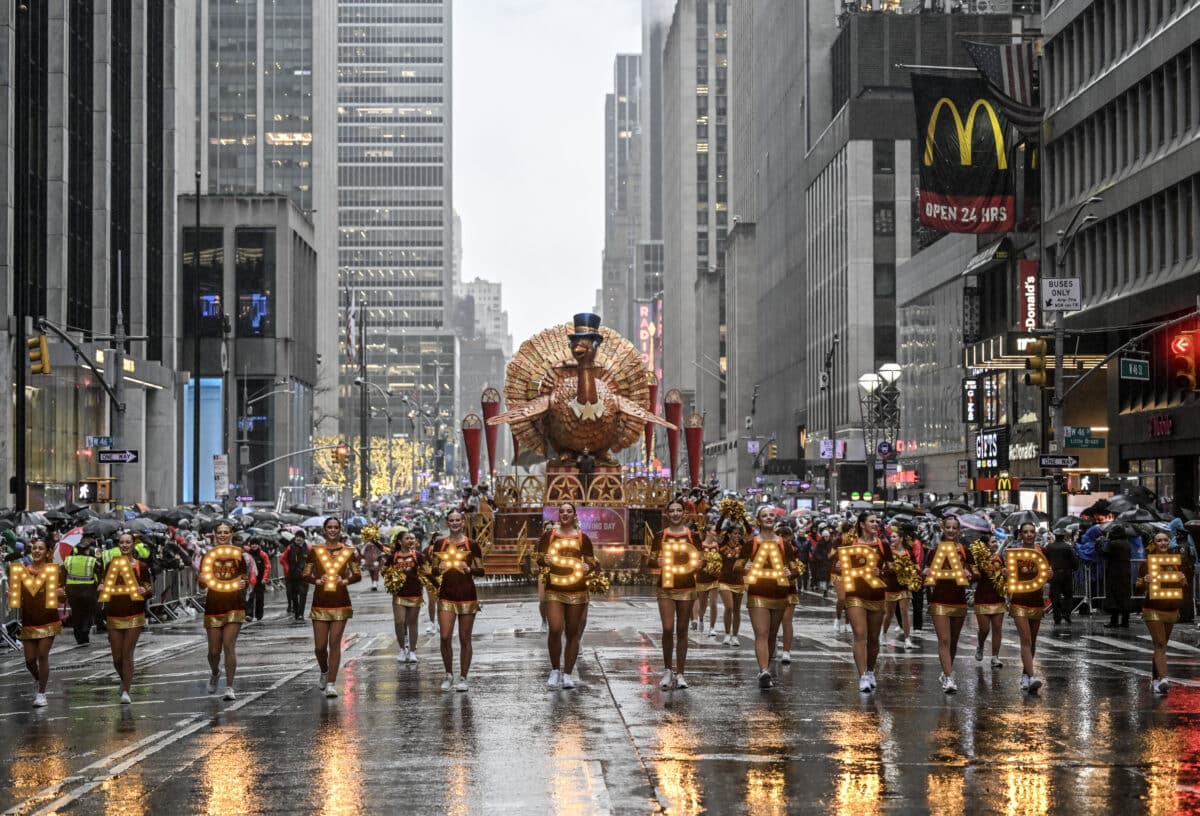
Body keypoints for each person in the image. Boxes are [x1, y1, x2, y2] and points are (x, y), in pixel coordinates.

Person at [536, 502, 597, 690]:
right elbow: (538, 558)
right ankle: (555, 670)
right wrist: (543, 560)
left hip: (577, 590)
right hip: (555, 588)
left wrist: (589, 566)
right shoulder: (549, 536)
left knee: (572, 632)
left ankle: (568, 673)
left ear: (574, 515)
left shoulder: (582, 538)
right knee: (555, 629)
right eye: (561, 511)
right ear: (558, 515)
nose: (565, 514)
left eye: (569, 511)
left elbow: (593, 562)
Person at [303, 516, 362, 699]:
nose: (333, 530)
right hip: (320, 602)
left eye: (336, 527)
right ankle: (324, 670)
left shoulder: (348, 551)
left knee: (335, 644)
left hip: (340, 601)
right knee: (320, 647)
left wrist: (343, 580)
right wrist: (316, 580)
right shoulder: (315, 551)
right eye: (330, 527)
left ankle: (331, 683)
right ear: (324, 529)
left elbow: (357, 574)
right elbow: (305, 573)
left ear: (340, 529)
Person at [834, 511, 890, 694]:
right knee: (860, 634)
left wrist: (880, 573)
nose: (876, 524)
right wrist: (838, 567)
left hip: (876, 595)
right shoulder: (850, 544)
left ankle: (871, 670)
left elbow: (893, 568)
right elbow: (835, 565)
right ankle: (862, 675)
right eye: (872, 521)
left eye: (877, 521)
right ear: (862, 524)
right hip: (854, 593)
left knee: (873, 638)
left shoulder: (883, 545)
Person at [195, 521, 249, 701]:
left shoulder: (239, 555)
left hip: (234, 604)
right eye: (220, 532)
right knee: (213, 651)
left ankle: (230, 686)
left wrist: (244, 583)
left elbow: (245, 577)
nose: (223, 535)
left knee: (228, 645)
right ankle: (215, 672)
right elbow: (202, 583)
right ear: (214, 534)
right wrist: (201, 579)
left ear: (231, 534)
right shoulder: (207, 556)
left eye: (226, 532)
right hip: (214, 605)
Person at [648, 500, 699, 690]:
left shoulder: (693, 536)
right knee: (668, 628)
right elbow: (650, 561)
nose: (676, 513)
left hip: (686, 587)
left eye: (679, 510)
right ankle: (668, 670)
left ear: (684, 513)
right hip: (666, 587)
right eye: (672, 511)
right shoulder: (660, 536)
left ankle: (681, 672)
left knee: (683, 630)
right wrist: (657, 562)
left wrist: (699, 565)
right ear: (667, 514)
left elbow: (702, 559)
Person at [744, 515, 798, 689]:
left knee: (772, 634)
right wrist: (744, 567)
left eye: (771, 516)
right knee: (761, 632)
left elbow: (795, 568)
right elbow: (737, 566)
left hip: (779, 593)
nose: (769, 518)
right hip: (757, 593)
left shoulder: (784, 544)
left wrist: (791, 573)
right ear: (758, 520)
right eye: (765, 516)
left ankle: (767, 662)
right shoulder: (751, 543)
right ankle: (763, 670)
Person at [11, 537, 66, 707]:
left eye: (41, 548)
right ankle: (38, 679)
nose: (36, 551)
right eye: (34, 548)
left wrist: (60, 593)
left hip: (48, 619)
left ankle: (41, 693)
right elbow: (18, 596)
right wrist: (12, 594)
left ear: (47, 552)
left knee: (42, 655)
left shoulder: (55, 571)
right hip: (29, 620)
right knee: (29, 660)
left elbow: (64, 595)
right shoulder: (23, 571)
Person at [434, 509, 484, 692]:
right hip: (446, 593)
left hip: (467, 594)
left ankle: (463, 677)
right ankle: (448, 674)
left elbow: (482, 571)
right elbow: (432, 571)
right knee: (445, 636)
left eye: (457, 520)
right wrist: (438, 568)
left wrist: (468, 568)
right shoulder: (440, 544)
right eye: (451, 520)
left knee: (465, 637)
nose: (454, 523)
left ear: (463, 522)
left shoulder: (472, 544)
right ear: (447, 523)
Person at [103, 532, 154, 704]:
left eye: (128, 542)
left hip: (135, 614)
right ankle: (124, 678)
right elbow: (103, 585)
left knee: (127, 654)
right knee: (116, 658)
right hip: (114, 614)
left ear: (133, 545)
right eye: (121, 542)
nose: (124, 545)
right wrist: (101, 587)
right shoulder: (110, 565)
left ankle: (126, 689)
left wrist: (144, 591)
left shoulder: (142, 566)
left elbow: (149, 589)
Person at [1138, 531, 1187, 694]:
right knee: (1159, 644)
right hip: (1152, 607)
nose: (1163, 543)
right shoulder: (1146, 563)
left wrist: (1182, 579)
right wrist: (1145, 581)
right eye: (1159, 540)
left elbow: (1185, 585)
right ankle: (1164, 679)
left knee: (1161, 646)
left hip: (1171, 607)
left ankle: (1155, 680)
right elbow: (1137, 585)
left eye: (1166, 540)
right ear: (1154, 543)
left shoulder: (1177, 561)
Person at [1009, 522, 1047, 694]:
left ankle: (1025, 675)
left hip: (1036, 600)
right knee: (1026, 639)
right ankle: (1032, 676)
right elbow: (1009, 577)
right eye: (1026, 532)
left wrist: (1050, 575)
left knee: (1032, 640)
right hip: (1019, 600)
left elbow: (1047, 574)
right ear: (1020, 535)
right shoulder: (1014, 553)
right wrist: (1005, 573)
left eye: (1032, 532)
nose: (1029, 534)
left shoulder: (1041, 552)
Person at [387, 530, 428, 664]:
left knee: (412, 623)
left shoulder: (418, 556)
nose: (411, 540)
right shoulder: (393, 557)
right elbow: (385, 572)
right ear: (400, 542)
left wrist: (438, 584)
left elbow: (427, 572)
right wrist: (392, 579)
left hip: (415, 593)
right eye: (407, 538)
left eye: (412, 538)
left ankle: (412, 651)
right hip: (399, 594)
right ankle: (401, 649)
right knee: (399, 621)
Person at [972, 533, 1007, 668]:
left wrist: (1005, 575)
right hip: (982, 597)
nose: (995, 544)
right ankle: (980, 645)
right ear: (985, 545)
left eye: (995, 541)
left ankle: (995, 657)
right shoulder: (978, 559)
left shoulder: (999, 558)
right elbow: (973, 578)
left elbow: (1004, 577)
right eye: (992, 542)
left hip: (998, 597)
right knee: (984, 629)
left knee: (997, 628)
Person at [881, 526, 917, 651]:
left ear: (901, 539)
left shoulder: (909, 553)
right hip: (891, 585)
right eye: (891, 537)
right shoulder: (888, 552)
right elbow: (883, 569)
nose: (892, 538)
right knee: (889, 613)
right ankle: (884, 634)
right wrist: (890, 570)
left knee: (904, 612)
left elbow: (915, 567)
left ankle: (907, 639)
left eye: (895, 536)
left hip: (904, 586)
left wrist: (914, 573)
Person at [717, 520, 750, 646]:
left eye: (739, 534)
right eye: (735, 534)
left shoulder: (743, 548)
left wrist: (741, 517)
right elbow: (718, 529)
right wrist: (725, 514)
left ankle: (735, 636)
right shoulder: (722, 545)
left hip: (738, 581)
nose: (737, 536)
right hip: (724, 580)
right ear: (729, 534)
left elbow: (749, 532)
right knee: (729, 607)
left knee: (737, 610)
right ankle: (726, 634)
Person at [63, 539, 101, 645]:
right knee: (88, 613)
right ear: (87, 550)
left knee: (76, 612)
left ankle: (78, 634)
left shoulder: (68, 560)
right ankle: (84, 632)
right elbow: (98, 575)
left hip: (72, 591)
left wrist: (63, 587)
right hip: (88, 590)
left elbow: (63, 574)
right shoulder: (92, 561)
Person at [778, 524, 802, 666]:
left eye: (788, 540)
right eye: (783, 539)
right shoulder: (769, 548)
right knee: (772, 622)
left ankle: (786, 651)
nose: (785, 543)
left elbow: (797, 570)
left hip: (789, 588)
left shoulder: (794, 550)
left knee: (787, 620)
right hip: (772, 588)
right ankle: (771, 644)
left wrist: (791, 574)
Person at [1045, 529, 1080, 624]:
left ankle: (1057, 616)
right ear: (1064, 536)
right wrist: (1075, 568)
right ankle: (1066, 613)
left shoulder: (1049, 547)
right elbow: (1074, 560)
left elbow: (1045, 559)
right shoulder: (1068, 547)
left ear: (1055, 536)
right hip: (1067, 573)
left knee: (1055, 595)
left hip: (1055, 573)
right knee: (1068, 595)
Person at [1102, 522, 1133, 628]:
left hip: (1114, 573)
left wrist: (1099, 543)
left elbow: (1104, 553)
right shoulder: (1127, 543)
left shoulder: (1113, 543)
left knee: (1114, 597)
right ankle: (1125, 621)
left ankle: (1114, 621)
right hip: (1125, 572)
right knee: (1125, 596)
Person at [693, 525, 721, 638]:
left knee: (714, 604)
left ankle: (712, 628)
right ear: (708, 532)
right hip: (701, 578)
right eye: (714, 530)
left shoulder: (718, 546)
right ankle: (700, 619)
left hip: (714, 578)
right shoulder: (700, 545)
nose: (716, 532)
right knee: (703, 604)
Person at [281, 530, 310, 622]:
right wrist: (287, 569)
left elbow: (312, 561)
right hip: (292, 576)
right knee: (293, 596)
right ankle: (297, 612)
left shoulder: (308, 549)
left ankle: (301, 614)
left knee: (303, 595)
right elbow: (282, 559)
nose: (298, 538)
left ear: (303, 538)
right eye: (297, 536)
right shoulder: (290, 548)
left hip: (303, 576)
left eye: (300, 536)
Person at [244, 536, 271, 622]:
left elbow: (268, 567)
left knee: (259, 599)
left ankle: (259, 616)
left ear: (258, 545)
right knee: (249, 598)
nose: (254, 546)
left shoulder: (263, 555)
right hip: (250, 580)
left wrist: (265, 578)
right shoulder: (247, 553)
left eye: (256, 544)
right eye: (252, 544)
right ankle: (249, 614)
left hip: (260, 581)